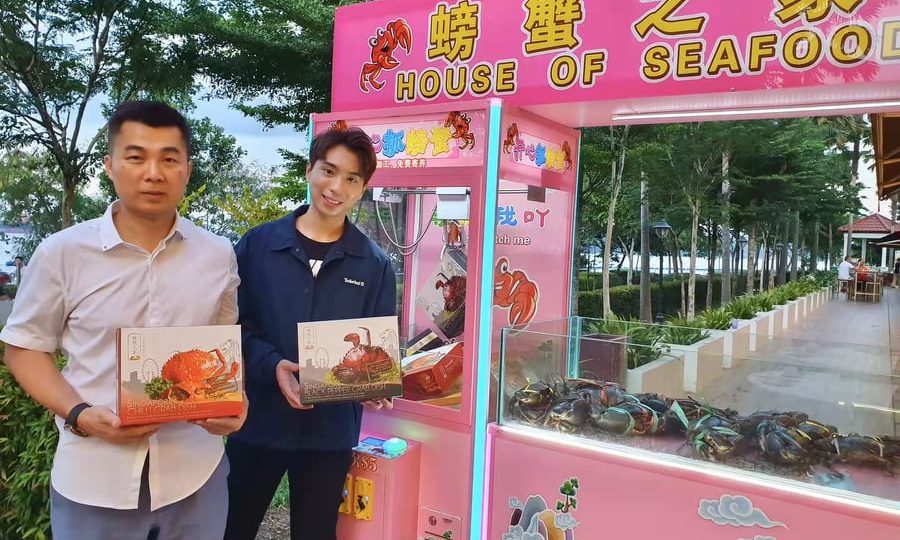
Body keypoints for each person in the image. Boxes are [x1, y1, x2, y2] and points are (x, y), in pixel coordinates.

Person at [0, 101, 246, 540]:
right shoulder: (62, 253)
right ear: (110, 166)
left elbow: (223, 343)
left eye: (169, 159)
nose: (154, 172)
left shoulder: (217, 255)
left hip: (195, 474)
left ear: (187, 170)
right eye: (136, 157)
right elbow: (24, 347)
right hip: (94, 477)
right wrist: (78, 412)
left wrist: (234, 403)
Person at [224, 126, 396, 540]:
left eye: (351, 179)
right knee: (232, 526)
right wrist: (272, 366)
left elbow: (376, 349)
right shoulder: (258, 246)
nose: (336, 187)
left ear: (363, 189)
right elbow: (231, 329)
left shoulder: (374, 265)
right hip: (258, 421)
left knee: (316, 532)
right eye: (328, 171)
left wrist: (373, 383)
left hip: (329, 432)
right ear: (310, 170)